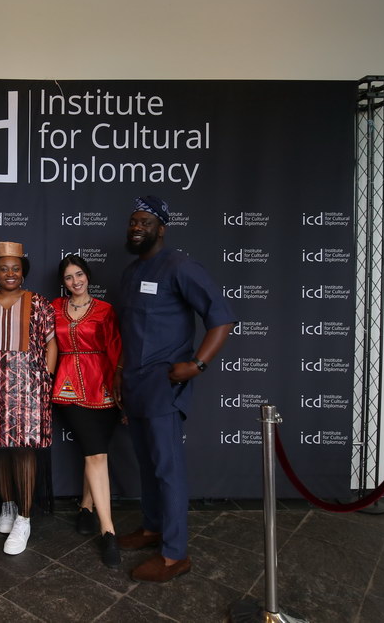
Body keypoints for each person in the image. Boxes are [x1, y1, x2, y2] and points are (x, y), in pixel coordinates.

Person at [115, 196, 235, 583]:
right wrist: (120, 373)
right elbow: (129, 331)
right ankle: (153, 528)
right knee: (148, 465)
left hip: (164, 385)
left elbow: (221, 317)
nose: (137, 227)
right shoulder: (131, 272)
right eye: (133, 221)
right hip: (134, 384)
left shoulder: (180, 266)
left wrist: (197, 365)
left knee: (168, 469)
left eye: (146, 222)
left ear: (162, 228)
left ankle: (175, 554)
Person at [0, 241, 57, 555]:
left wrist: (45, 380)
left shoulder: (39, 303)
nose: (10, 273)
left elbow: (51, 344)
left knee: (23, 450)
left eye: (15, 268)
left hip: (29, 387)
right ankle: (7, 505)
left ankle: (24, 517)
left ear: (23, 271)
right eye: (4, 268)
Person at [51, 254, 123, 567]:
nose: (75, 281)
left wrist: (122, 392)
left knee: (96, 452)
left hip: (104, 388)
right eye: (69, 277)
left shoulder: (106, 310)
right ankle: (108, 532)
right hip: (69, 387)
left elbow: (116, 349)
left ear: (88, 276)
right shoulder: (54, 308)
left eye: (79, 274)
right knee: (95, 454)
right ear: (63, 282)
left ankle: (86, 506)